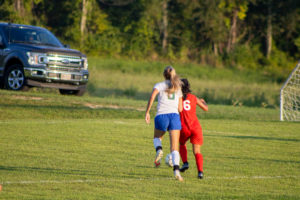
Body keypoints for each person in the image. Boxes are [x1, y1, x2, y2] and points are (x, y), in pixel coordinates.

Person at [145, 66, 184, 181]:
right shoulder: (178, 87)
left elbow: (152, 96)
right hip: (174, 116)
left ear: (164, 75)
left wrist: (147, 112)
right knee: (174, 147)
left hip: (161, 116)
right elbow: (180, 109)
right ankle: (176, 171)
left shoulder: (159, 85)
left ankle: (159, 150)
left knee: (157, 137)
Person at [179, 78, 208, 179]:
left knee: (181, 143)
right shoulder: (194, 97)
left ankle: (185, 163)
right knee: (197, 151)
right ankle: (200, 172)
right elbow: (206, 108)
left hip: (184, 128)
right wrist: (203, 102)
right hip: (195, 127)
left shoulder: (178, 98)